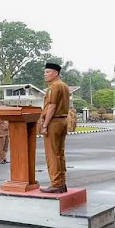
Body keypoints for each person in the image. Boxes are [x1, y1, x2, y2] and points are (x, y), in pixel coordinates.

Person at [40, 62, 70, 193]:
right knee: (59, 153)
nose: (45, 74)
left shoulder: (54, 86)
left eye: (47, 72)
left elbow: (51, 106)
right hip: (63, 121)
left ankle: (56, 183)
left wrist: (45, 125)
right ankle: (62, 183)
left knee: (52, 154)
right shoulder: (64, 86)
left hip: (54, 122)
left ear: (55, 73)